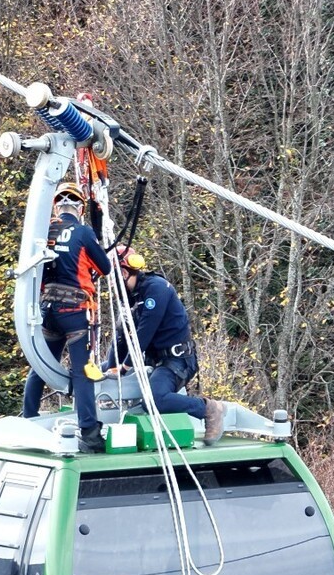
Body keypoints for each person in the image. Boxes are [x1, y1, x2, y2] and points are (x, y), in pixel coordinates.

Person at [22, 182, 112, 452]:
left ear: (56, 207)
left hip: (48, 309)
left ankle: (28, 417)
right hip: (74, 312)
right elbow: (105, 267)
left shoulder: (43, 232)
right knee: (82, 371)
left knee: (41, 364)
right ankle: (90, 431)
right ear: (80, 208)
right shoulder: (83, 233)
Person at [106, 245, 227, 445]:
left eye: (112, 277)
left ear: (124, 273)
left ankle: (208, 408)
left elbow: (144, 333)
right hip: (155, 362)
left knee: (154, 400)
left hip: (177, 360)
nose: (111, 283)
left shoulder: (156, 289)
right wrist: (109, 370)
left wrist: (125, 367)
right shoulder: (131, 299)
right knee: (109, 376)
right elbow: (122, 338)